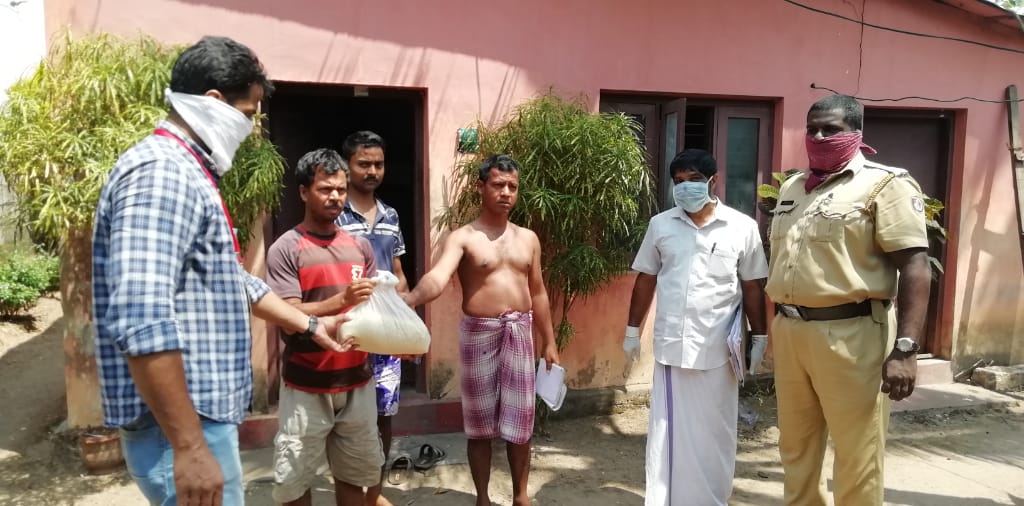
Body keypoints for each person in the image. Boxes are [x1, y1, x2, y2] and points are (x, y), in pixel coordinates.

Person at [92, 36, 348, 506]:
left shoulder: (189, 171)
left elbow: (234, 282)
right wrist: (189, 447)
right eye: (249, 114)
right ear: (214, 102)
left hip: (197, 420)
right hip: (181, 427)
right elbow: (141, 319)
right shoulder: (162, 173)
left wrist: (312, 324)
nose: (252, 129)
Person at [765, 94, 930, 505]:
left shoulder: (885, 184)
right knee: (796, 449)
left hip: (853, 334)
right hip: (792, 332)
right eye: (812, 128)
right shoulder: (792, 187)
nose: (819, 136)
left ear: (856, 134)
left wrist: (906, 348)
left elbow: (915, 266)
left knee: (857, 453)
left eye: (831, 129)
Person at [402, 154, 560, 506]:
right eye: (498, 185)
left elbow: (538, 292)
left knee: (521, 423)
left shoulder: (529, 239)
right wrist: (411, 298)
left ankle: (521, 497)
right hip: (479, 335)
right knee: (479, 424)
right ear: (481, 187)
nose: (506, 192)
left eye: (512, 187)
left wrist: (548, 340)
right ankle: (483, 499)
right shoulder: (463, 238)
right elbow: (438, 277)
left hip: (519, 332)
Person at [623, 149, 768, 506]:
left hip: (720, 350)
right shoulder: (661, 225)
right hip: (673, 348)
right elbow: (645, 279)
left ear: (713, 182)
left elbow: (752, 285)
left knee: (715, 431)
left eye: (694, 181)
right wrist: (631, 329)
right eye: (678, 182)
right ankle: (665, 499)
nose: (685, 188)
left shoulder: (742, 227)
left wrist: (760, 335)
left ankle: (711, 499)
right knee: (667, 432)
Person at [266, 148, 386, 506]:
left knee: (353, 479)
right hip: (306, 386)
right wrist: (338, 302)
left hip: (357, 383)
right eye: (325, 189)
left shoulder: (359, 247)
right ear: (304, 191)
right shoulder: (286, 248)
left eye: (340, 189)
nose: (335, 196)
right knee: (295, 483)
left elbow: (371, 311)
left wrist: (397, 338)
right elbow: (287, 313)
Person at [333, 131, 409, 506]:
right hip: (347, 330)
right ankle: (349, 491)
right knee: (347, 414)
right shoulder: (334, 212)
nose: (372, 171)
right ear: (347, 166)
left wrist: (409, 328)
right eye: (364, 164)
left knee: (384, 413)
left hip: (386, 332)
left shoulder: (391, 215)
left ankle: (374, 494)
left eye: (378, 164)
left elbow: (399, 272)